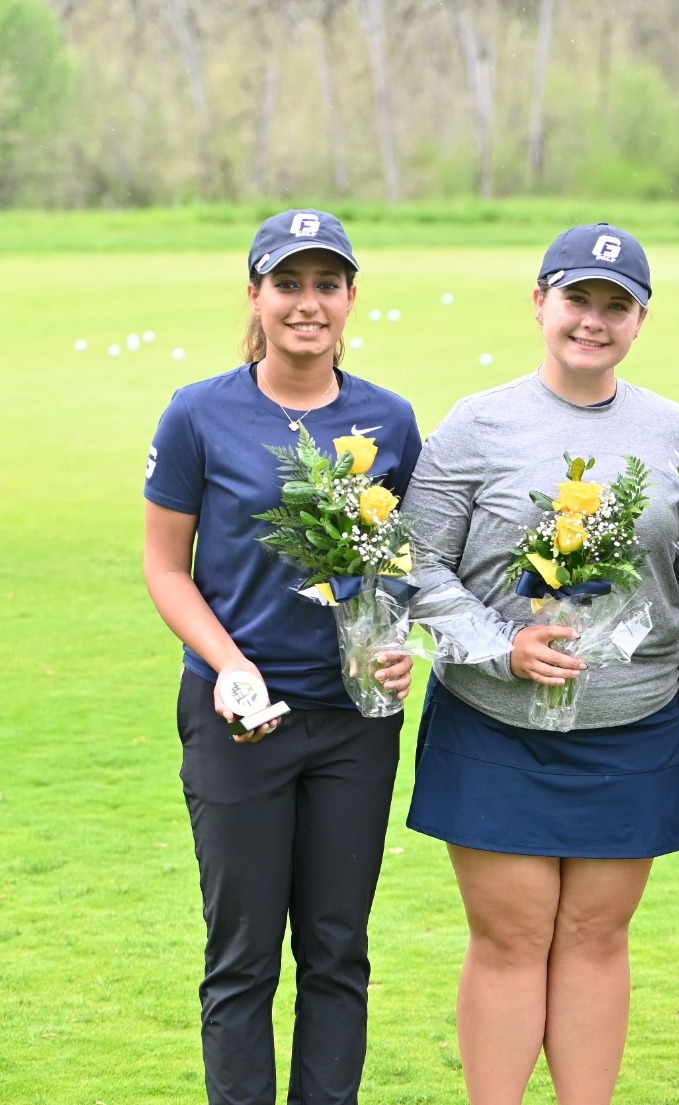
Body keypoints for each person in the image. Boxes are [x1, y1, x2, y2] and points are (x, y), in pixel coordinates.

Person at [401, 223, 679, 1105]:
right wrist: (497, 646)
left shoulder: (672, 431)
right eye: (578, 299)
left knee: (595, 936)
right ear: (540, 302)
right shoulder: (479, 423)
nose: (594, 320)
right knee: (508, 941)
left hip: (631, 724)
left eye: (616, 306)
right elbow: (415, 561)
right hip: (494, 724)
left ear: (641, 319)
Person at [143, 209, 421, 1105]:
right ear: (255, 296)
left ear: (350, 298)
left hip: (353, 723)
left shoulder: (388, 418)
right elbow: (164, 567)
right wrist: (227, 662)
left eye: (326, 285)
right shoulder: (199, 413)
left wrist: (395, 644)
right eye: (288, 284)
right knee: (243, 957)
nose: (309, 304)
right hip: (240, 723)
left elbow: (404, 564)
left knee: (338, 950)